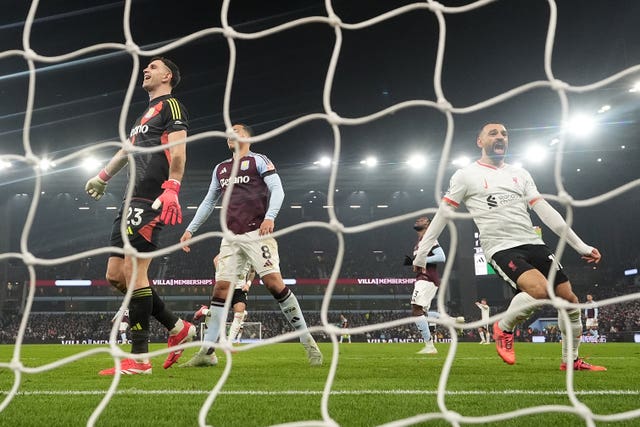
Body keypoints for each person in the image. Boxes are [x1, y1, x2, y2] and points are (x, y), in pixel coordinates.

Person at [413, 122, 606, 371]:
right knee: (539, 291)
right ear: (479, 142)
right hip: (501, 247)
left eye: (504, 133)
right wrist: (423, 251)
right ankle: (503, 327)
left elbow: (545, 211)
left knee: (569, 300)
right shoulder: (466, 175)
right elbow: (443, 214)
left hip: (533, 243)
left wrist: (580, 245)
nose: (500, 137)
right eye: (493, 133)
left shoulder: (520, 174)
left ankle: (571, 361)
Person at [85, 57, 196, 375]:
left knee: (135, 273)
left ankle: (140, 359)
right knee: (115, 276)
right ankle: (178, 328)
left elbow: (179, 150)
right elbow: (127, 149)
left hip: (152, 196)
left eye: (153, 67)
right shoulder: (143, 115)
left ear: (168, 75)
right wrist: (102, 176)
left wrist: (172, 187)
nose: (146, 70)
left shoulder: (172, 106)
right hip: (129, 198)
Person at [179, 123, 323, 367]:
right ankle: (207, 353)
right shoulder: (221, 169)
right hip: (230, 238)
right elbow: (208, 201)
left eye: (236, 130)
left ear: (247, 137)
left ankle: (308, 342)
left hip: (257, 232)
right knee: (220, 290)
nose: (230, 133)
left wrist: (270, 216)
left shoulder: (258, 160)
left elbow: (277, 189)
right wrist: (190, 229)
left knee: (273, 283)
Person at [182, 255, 254, 367]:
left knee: (240, 312)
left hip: (240, 289)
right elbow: (216, 260)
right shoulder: (231, 248)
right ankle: (204, 312)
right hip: (226, 286)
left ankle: (229, 342)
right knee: (216, 318)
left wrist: (248, 284)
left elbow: (253, 271)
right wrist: (221, 278)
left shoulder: (250, 251)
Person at [407, 217, 446, 354]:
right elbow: (420, 262)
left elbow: (441, 257)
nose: (417, 220)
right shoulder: (418, 242)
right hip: (422, 278)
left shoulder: (429, 238)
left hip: (427, 279)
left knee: (416, 310)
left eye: (422, 220)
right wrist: (416, 264)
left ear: (428, 224)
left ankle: (430, 346)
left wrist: (420, 261)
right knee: (422, 312)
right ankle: (448, 319)